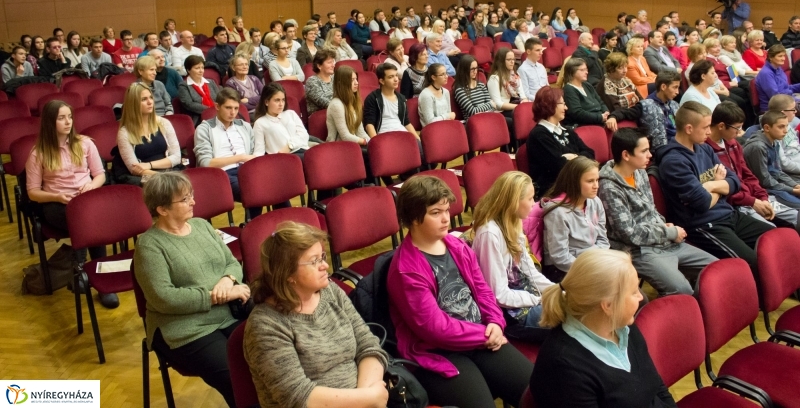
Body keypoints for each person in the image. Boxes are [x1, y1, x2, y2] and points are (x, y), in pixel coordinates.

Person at [388, 175, 534, 408]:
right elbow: (435, 329)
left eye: (447, 209)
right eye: (436, 213)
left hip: (480, 337)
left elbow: (482, 289)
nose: (446, 218)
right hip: (440, 352)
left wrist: (496, 322)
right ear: (414, 218)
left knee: (537, 391)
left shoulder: (456, 245)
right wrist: (485, 335)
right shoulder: (406, 270)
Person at [244, 222, 388, 408]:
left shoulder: (329, 291)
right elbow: (297, 397)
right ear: (288, 273)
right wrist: (368, 399)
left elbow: (367, 344)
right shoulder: (265, 325)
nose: (325, 266)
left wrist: (368, 396)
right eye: (314, 261)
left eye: (322, 257)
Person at [134, 172, 247, 408]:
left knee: (267, 357)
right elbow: (164, 298)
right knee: (235, 377)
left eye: (191, 196)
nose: (193, 202)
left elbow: (232, 262)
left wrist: (228, 280)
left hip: (228, 313)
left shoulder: (202, 226)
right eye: (185, 199)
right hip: (183, 328)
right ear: (162, 209)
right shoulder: (149, 245)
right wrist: (216, 297)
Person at [530, 248, 676, 408]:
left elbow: (657, 386)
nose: (641, 297)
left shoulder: (623, 327)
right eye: (634, 291)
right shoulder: (564, 368)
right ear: (608, 305)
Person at [656, 101, 775, 271]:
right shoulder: (673, 162)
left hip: (729, 214)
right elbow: (702, 203)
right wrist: (720, 187)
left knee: (776, 240)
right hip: (704, 225)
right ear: (689, 129)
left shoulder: (705, 149)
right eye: (705, 127)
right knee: (752, 264)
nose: (709, 131)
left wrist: (711, 185)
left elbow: (734, 182)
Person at [599, 128, 718, 296]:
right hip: (639, 250)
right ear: (626, 155)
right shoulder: (608, 187)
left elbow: (650, 209)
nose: (650, 155)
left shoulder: (640, 172)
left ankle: (707, 316)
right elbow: (629, 234)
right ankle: (685, 317)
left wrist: (662, 225)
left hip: (664, 241)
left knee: (716, 270)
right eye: (644, 151)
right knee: (682, 290)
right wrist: (667, 232)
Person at [26, 100, 116, 308]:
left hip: (87, 198)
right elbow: (32, 192)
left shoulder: (85, 143)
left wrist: (92, 187)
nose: (68, 122)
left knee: (88, 218)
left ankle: (82, 271)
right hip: (57, 203)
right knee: (86, 221)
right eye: (61, 118)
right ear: (50, 122)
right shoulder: (38, 153)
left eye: (69, 117)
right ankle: (98, 280)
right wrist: (57, 197)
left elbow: (100, 175)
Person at [470, 171, 554, 342]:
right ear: (513, 201)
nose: (534, 204)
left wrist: (556, 291)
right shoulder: (489, 234)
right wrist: (539, 299)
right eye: (530, 199)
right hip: (513, 315)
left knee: (579, 306)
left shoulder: (514, 222)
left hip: (526, 299)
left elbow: (530, 272)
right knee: (577, 319)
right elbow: (498, 295)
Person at [707, 102, 799, 229]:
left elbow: (748, 175)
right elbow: (725, 190)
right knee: (772, 230)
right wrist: (753, 202)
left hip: (755, 197)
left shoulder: (733, 144)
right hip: (738, 204)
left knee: (795, 216)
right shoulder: (706, 150)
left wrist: (763, 198)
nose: (740, 133)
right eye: (737, 128)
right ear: (721, 126)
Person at [541, 157, 610, 282]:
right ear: (574, 182)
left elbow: (602, 239)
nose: (596, 186)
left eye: (597, 180)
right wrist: (590, 267)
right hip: (565, 268)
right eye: (590, 181)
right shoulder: (557, 213)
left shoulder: (595, 201)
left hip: (593, 261)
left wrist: (600, 260)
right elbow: (560, 257)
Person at [194, 88, 260, 218]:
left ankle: (285, 223)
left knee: (275, 185)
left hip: (248, 169)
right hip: (222, 173)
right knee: (255, 190)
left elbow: (253, 151)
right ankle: (253, 225)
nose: (233, 112)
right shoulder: (205, 129)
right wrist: (240, 157)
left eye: (236, 108)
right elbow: (206, 163)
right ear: (217, 106)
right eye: (228, 108)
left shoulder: (244, 126)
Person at [527, 86, 595, 196]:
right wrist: (577, 158)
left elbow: (590, 153)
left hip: (574, 184)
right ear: (550, 105)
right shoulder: (539, 135)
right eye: (563, 104)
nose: (566, 108)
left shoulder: (567, 130)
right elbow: (559, 166)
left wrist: (571, 157)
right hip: (553, 191)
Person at [116, 83, 182, 185]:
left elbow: (177, 157)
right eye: (144, 99)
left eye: (151, 97)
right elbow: (134, 169)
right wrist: (160, 177)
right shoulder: (124, 132)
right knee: (159, 186)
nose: (150, 102)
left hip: (168, 171)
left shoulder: (164, 123)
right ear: (133, 104)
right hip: (144, 177)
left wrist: (149, 165)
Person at [743, 111, 800, 210]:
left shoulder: (775, 141)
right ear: (767, 128)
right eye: (781, 127)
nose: (786, 131)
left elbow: (778, 172)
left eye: (786, 126)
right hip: (764, 191)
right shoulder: (758, 147)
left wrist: (795, 185)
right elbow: (764, 181)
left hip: (775, 185)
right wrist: (793, 190)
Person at [252, 83, 311, 159]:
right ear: (266, 102)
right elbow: (259, 151)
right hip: (284, 158)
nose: (281, 104)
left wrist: (290, 146)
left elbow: (304, 134)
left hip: (303, 149)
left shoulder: (291, 113)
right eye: (277, 100)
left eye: (283, 100)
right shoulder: (260, 123)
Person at [363, 63, 419, 139]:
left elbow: (406, 122)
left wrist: (418, 140)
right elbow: (369, 124)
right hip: (384, 136)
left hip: (402, 134)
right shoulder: (373, 98)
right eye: (391, 77)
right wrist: (375, 142)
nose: (396, 79)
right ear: (382, 81)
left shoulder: (401, 98)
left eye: (396, 75)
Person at [561, 57, 617, 131]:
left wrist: (606, 113)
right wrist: (600, 117)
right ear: (572, 71)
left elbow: (600, 102)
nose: (586, 72)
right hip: (584, 125)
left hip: (599, 120)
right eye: (582, 70)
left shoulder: (587, 85)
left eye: (586, 69)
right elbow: (577, 113)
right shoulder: (569, 89)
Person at [326, 65, 369, 145]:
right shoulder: (336, 105)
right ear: (342, 83)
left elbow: (361, 133)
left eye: (356, 79)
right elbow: (345, 136)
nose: (357, 83)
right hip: (338, 147)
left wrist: (371, 142)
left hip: (353, 145)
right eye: (352, 80)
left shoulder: (353, 102)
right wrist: (366, 142)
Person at [487, 48, 528, 127]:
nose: (512, 62)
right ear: (501, 61)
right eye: (509, 59)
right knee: (521, 116)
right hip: (502, 111)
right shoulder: (494, 78)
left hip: (516, 106)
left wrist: (524, 103)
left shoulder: (515, 76)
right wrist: (519, 107)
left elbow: (523, 95)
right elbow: (498, 104)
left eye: (513, 59)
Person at [453, 55, 501, 121]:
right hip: (474, 122)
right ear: (464, 69)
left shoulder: (481, 85)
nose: (475, 71)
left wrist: (488, 106)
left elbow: (493, 106)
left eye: (476, 68)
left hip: (488, 117)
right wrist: (489, 104)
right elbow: (473, 111)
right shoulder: (460, 90)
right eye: (472, 69)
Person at [754, 44, 800, 113]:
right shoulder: (766, 73)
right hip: (773, 110)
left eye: (784, 56)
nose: (783, 58)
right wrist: (791, 92)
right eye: (780, 56)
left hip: (786, 101)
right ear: (770, 57)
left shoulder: (778, 68)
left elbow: (786, 87)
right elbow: (775, 97)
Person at [596, 52, 642, 120]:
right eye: (620, 68)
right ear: (611, 69)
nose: (625, 71)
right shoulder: (606, 85)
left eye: (626, 67)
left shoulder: (625, 80)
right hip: (622, 118)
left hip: (635, 114)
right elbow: (616, 110)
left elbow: (640, 99)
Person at [178, 56, 220, 125]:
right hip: (198, 118)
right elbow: (189, 104)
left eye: (202, 68)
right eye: (197, 68)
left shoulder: (211, 82)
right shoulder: (183, 86)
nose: (201, 71)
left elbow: (219, 98)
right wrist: (210, 110)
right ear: (188, 70)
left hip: (217, 114)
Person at [419, 63, 455, 127]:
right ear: (433, 77)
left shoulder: (446, 92)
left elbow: (449, 114)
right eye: (442, 74)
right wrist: (447, 116)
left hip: (446, 126)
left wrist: (449, 116)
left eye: (446, 73)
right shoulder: (426, 95)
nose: (446, 76)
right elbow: (430, 122)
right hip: (433, 130)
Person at [304, 49, 336, 115]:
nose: (333, 65)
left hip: (336, 112)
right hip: (320, 116)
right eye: (329, 62)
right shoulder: (312, 82)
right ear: (319, 66)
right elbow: (325, 103)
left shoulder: (335, 77)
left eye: (333, 62)